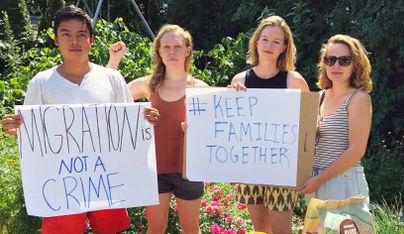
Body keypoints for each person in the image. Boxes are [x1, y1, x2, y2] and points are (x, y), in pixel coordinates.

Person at [0, 5, 157, 234]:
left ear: (91, 40)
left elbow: (128, 127)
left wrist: (146, 119)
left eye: (81, 34)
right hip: (60, 184)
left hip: (108, 180)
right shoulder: (41, 82)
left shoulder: (112, 78)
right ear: (56, 40)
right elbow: (32, 133)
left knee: (110, 230)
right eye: (66, 34)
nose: (75, 41)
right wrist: (15, 129)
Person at [108, 24, 208, 234]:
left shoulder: (201, 89)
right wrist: (114, 61)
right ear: (159, 51)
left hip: (190, 171)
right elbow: (109, 97)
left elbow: (214, 131)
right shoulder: (147, 85)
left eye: (177, 47)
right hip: (154, 170)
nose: (172, 52)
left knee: (191, 229)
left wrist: (197, 130)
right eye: (166, 47)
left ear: (188, 50)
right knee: (155, 228)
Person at [230, 16, 309, 234]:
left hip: (282, 169)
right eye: (265, 39)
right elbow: (231, 128)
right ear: (256, 42)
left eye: (276, 41)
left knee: (282, 230)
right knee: (261, 229)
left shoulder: (295, 81)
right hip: (249, 168)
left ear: (284, 47)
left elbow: (308, 129)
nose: (269, 45)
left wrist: (303, 169)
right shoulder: (239, 80)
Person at [301, 34, 372, 206]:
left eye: (344, 60)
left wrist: (320, 179)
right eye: (330, 60)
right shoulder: (318, 97)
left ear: (356, 64)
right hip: (314, 181)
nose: (336, 65)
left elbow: (356, 150)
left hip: (344, 182)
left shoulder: (358, 98)